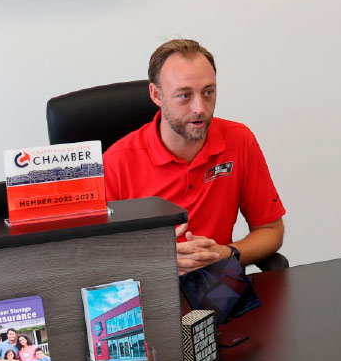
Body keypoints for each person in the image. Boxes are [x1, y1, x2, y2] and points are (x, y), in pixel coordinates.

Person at [104, 38, 286, 274]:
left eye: (208, 92)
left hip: (218, 290)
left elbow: (271, 231)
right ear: (156, 95)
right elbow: (97, 256)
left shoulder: (239, 140)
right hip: (148, 296)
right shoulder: (116, 162)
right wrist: (160, 262)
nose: (200, 107)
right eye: (185, 96)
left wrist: (226, 254)